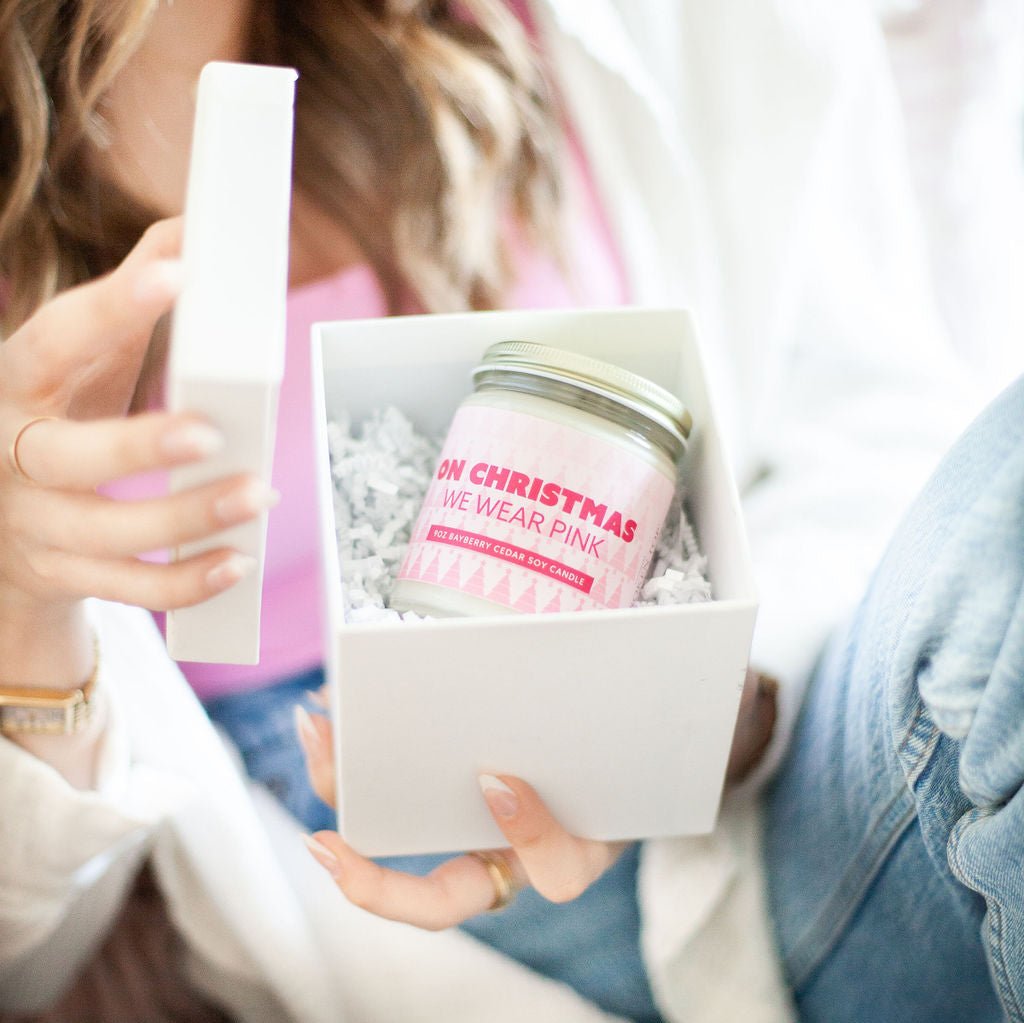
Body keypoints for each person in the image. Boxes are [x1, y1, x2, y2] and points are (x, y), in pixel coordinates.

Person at [0, 1, 1001, 1021]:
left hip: (795, 728)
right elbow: (24, 959)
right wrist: (21, 611)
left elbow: (875, 421)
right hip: (380, 864)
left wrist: (708, 697)